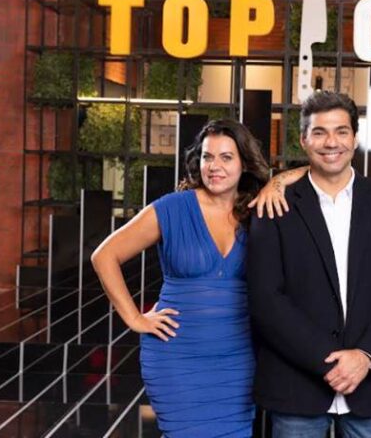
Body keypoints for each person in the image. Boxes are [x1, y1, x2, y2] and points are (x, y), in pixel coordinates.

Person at [246, 91, 371, 438]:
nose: (331, 142)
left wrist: (365, 356)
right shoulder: (274, 206)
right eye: (319, 132)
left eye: (341, 131)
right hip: (297, 385)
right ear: (304, 139)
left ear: (355, 138)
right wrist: (327, 360)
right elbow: (267, 299)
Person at [92, 120, 276, 437]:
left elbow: (315, 176)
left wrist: (277, 182)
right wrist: (134, 317)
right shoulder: (173, 208)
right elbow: (104, 256)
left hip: (237, 358)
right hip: (177, 356)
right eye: (207, 157)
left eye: (226, 157)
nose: (214, 166)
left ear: (244, 163)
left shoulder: (256, 211)